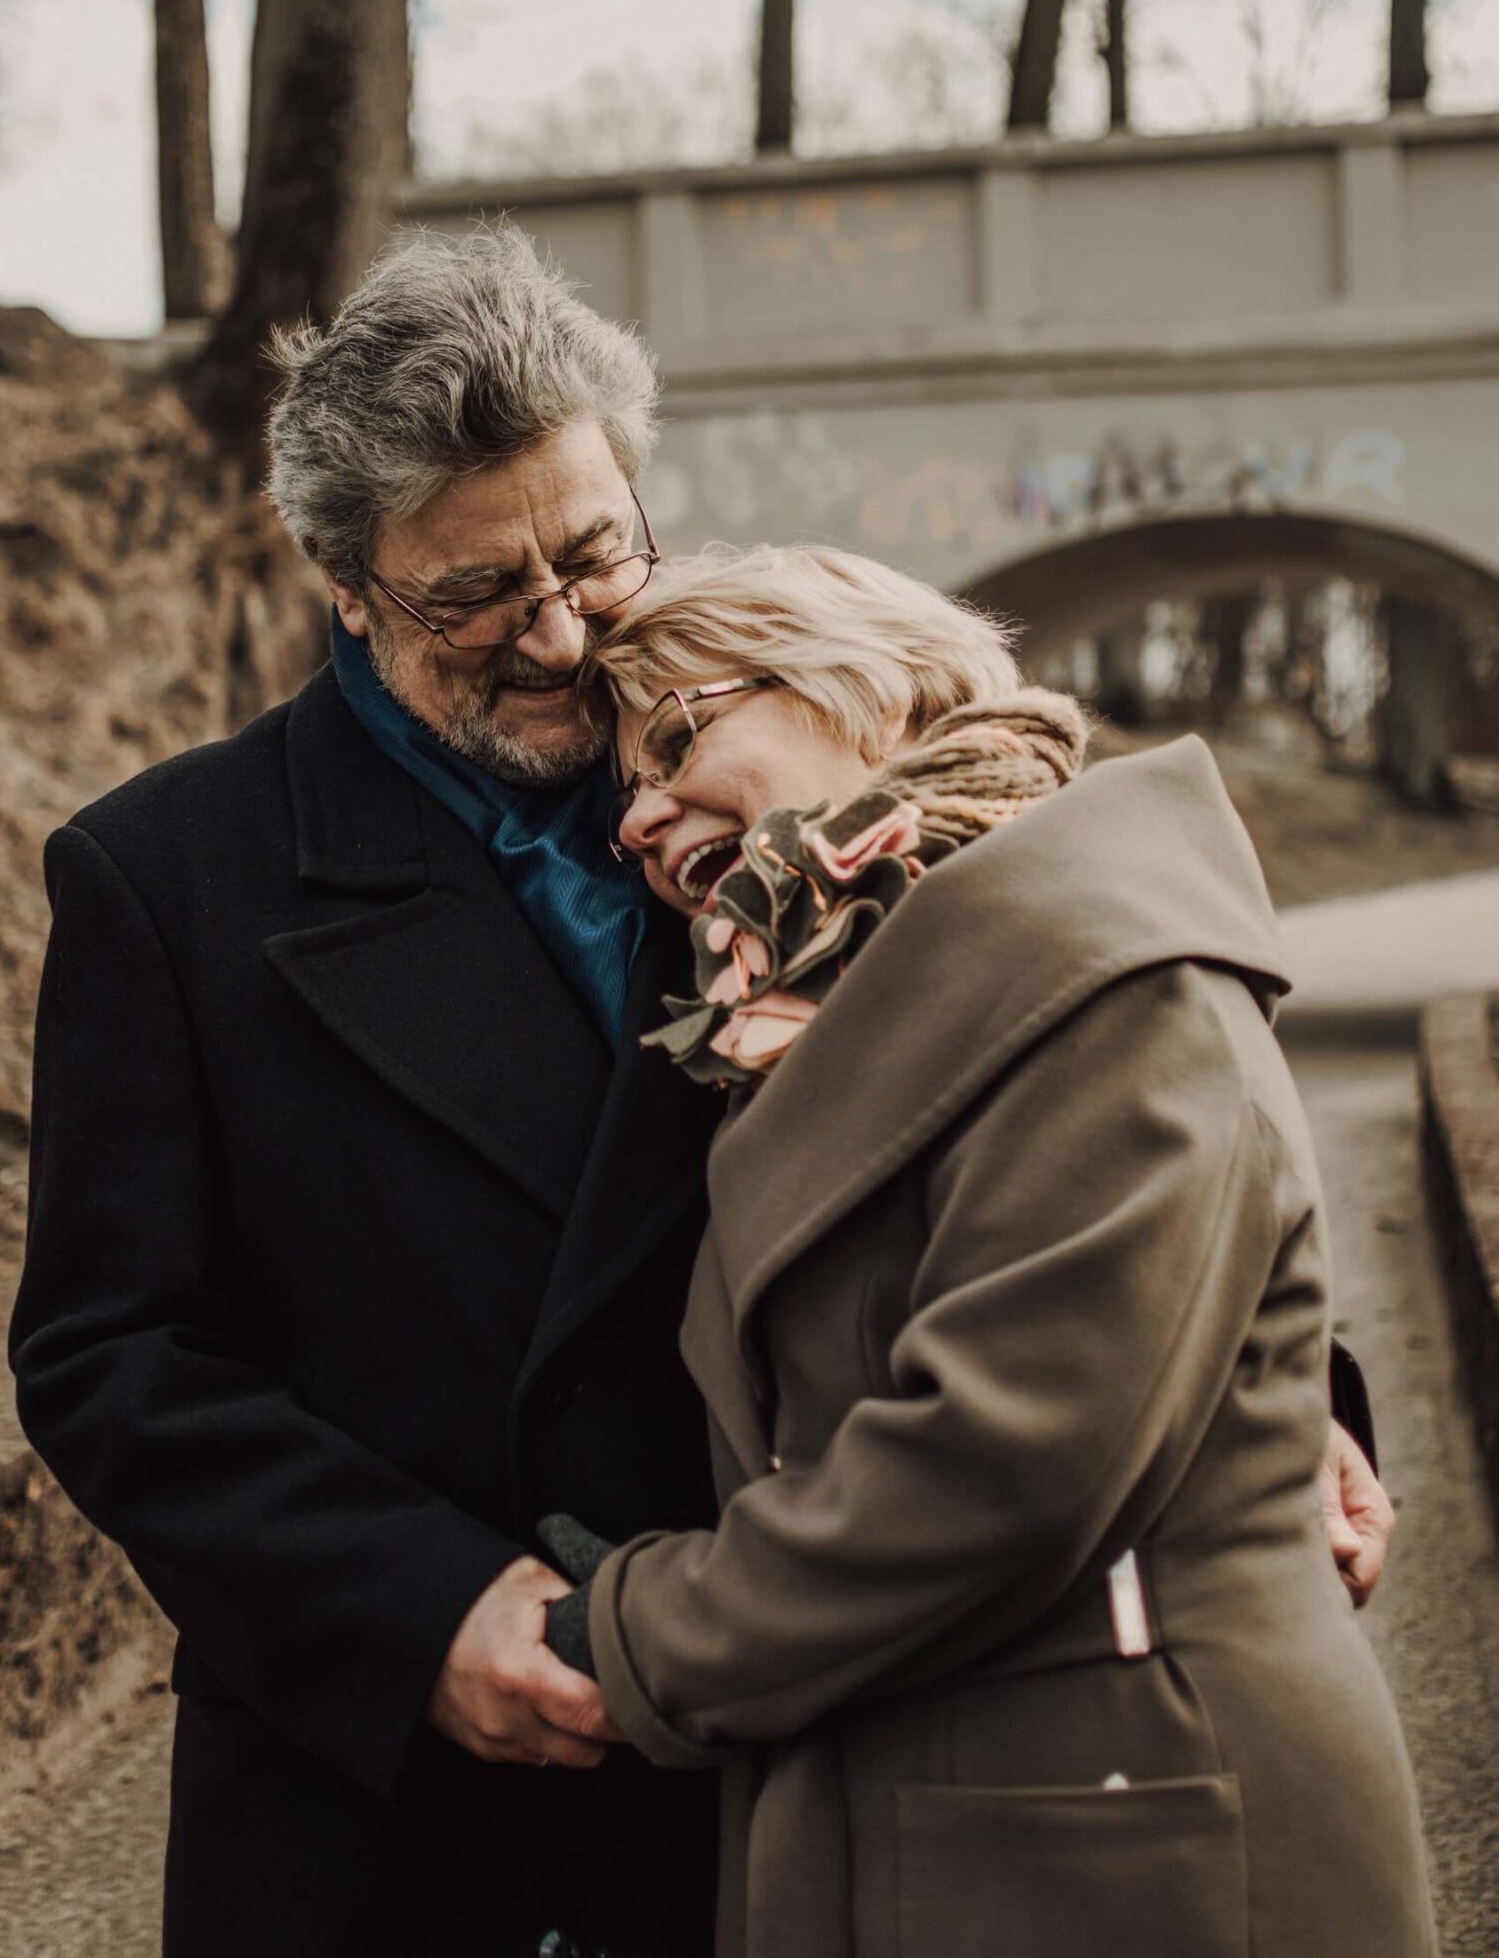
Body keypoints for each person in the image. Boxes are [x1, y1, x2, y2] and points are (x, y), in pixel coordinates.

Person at [11, 227, 1389, 1958]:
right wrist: (416, 1612)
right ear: (347, 587)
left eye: (596, 552)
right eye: (476, 598)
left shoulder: (789, 759)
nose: (565, 635)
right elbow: (112, 1353)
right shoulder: (169, 878)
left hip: (783, 1749)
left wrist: (1280, 1403)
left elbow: (1072, 1105)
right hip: (399, 1817)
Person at [535, 543, 1437, 1958]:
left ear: (869, 688)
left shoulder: (1096, 968)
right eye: (623, 801)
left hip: (1138, 1831)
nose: (641, 817)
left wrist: (638, 1633)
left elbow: (1009, 1458)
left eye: (677, 737)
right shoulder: (848, 996)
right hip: (991, 1804)